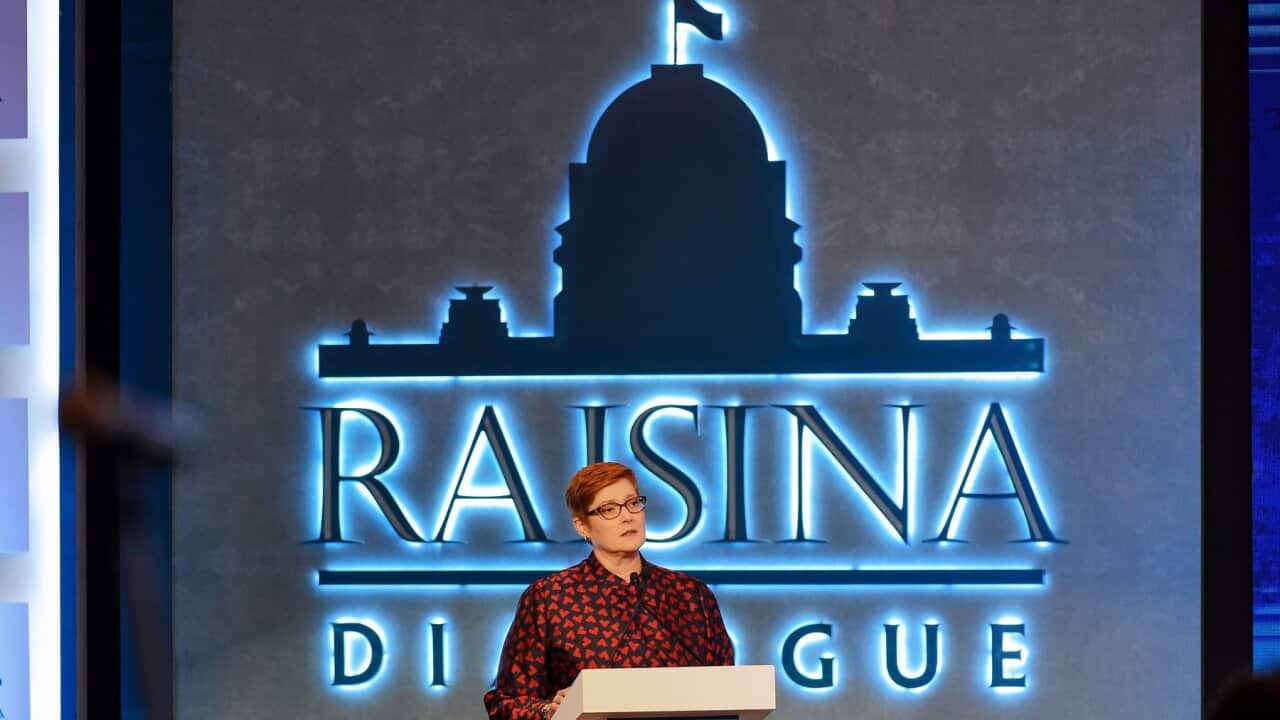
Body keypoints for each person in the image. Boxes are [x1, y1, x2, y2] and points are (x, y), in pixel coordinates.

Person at [483, 461, 734, 720]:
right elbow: (504, 704)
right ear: (582, 526)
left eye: (633, 503)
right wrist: (550, 711)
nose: (628, 516)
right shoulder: (550, 598)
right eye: (609, 509)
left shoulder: (691, 596)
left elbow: (729, 690)